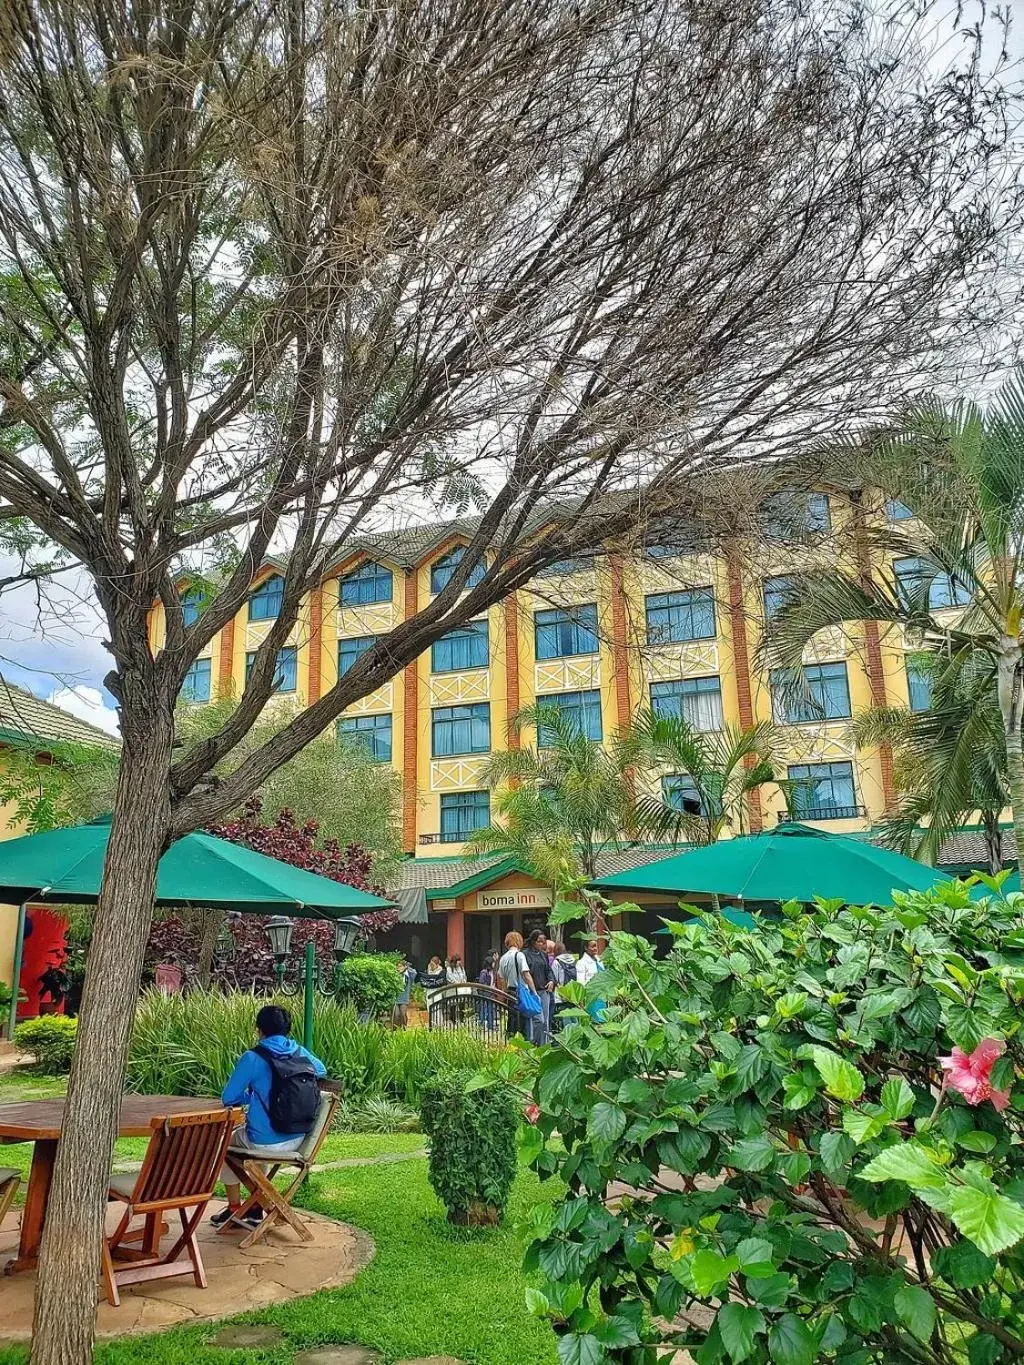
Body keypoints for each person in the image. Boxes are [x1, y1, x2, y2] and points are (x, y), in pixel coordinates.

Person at [214, 1003, 326, 1229]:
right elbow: (321, 1070)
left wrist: (252, 1097)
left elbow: (229, 1098)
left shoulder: (252, 1058)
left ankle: (236, 1207)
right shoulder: (299, 1052)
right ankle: (256, 1206)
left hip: (264, 1143)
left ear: (259, 1029)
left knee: (225, 1144)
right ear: (288, 1030)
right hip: (298, 1140)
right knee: (254, 1138)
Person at [498, 931, 537, 1038]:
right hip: (521, 992)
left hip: (509, 992)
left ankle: (512, 1043)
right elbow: (526, 975)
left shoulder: (503, 958)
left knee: (512, 1021)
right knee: (524, 1022)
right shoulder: (519, 956)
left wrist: (503, 994)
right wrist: (534, 992)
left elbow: (501, 979)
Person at [524, 928, 554, 1044]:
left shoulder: (543, 955)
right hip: (533, 992)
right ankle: (534, 1043)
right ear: (533, 941)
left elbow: (549, 970)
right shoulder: (525, 954)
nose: (542, 944)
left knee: (545, 1021)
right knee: (538, 1020)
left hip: (544, 990)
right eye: (539, 941)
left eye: (544, 941)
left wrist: (551, 981)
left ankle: (544, 1045)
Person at [550, 941, 577, 1034]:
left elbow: (555, 979)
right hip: (572, 994)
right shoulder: (573, 960)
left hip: (561, 995)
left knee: (565, 1018)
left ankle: (568, 1038)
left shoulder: (556, 962)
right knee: (574, 1016)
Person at [393, 956, 418, 1028]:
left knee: (403, 1013)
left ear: (404, 967)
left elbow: (414, 972)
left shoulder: (408, 975)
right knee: (396, 1014)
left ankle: (404, 1027)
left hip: (404, 997)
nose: (398, 968)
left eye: (400, 966)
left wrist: (407, 967)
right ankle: (396, 1028)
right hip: (396, 997)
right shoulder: (395, 975)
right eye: (397, 966)